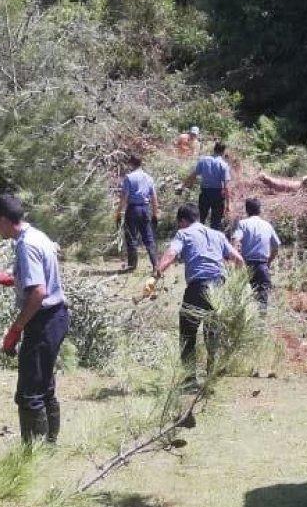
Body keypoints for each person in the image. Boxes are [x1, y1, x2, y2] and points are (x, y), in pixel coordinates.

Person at [0, 194, 69, 445]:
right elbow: (38, 279)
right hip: (55, 317)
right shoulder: (36, 235)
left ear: (2, 220)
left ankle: (34, 455)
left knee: (29, 392)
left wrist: (16, 329)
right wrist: (12, 279)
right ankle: (49, 446)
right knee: (44, 385)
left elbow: (39, 292)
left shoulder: (26, 245)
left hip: (44, 320)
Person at [155, 203, 244, 381]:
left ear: (183, 220)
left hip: (198, 288)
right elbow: (239, 259)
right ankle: (211, 378)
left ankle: (189, 380)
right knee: (213, 335)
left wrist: (157, 271)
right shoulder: (218, 234)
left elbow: (172, 252)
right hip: (219, 288)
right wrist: (235, 286)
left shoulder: (184, 233)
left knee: (187, 335)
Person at [231, 197, 281, 308]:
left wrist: (235, 260)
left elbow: (236, 240)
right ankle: (261, 323)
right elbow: (276, 245)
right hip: (262, 265)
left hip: (246, 265)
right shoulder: (267, 225)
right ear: (260, 210)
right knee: (262, 299)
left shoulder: (242, 224)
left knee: (240, 297)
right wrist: (269, 262)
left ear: (247, 210)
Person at [117, 155, 159, 272]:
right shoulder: (149, 178)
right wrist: (155, 213)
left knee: (131, 237)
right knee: (149, 238)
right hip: (145, 209)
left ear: (131, 164)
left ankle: (132, 266)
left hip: (133, 209)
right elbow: (154, 198)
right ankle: (155, 264)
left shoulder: (129, 178)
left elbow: (124, 197)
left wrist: (119, 213)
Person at [193, 141, 232, 231]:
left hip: (205, 192)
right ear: (223, 152)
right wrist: (228, 204)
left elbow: (193, 175)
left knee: (201, 219)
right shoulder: (223, 164)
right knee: (215, 222)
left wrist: (184, 186)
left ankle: (199, 238)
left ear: (214, 149)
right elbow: (226, 186)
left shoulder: (203, 160)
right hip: (217, 195)